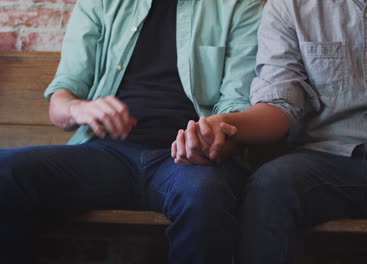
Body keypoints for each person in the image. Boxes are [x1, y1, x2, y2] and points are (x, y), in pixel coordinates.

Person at [173, 0, 367, 263]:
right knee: (267, 188)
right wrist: (224, 123)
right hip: (318, 161)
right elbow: (280, 107)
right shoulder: (289, 7)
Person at [0, 0, 262, 263]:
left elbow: (237, 108)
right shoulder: (101, 3)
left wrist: (212, 139)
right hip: (106, 153)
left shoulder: (238, 6)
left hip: (189, 160)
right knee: (5, 169)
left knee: (205, 194)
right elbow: (62, 100)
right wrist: (78, 108)